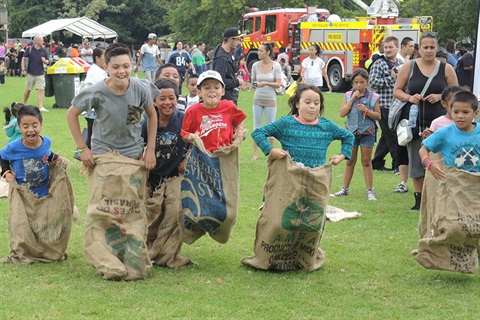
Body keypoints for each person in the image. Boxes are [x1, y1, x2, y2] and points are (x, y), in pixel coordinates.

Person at [66, 42, 159, 280]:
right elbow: (71, 113)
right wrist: (82, 148)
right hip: (103, 157)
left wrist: (150, 149)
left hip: (133, 158)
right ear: (106, 66)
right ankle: (105, 259)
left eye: (126, 66)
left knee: (131, 209)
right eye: (116, 66)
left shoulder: (140, 87)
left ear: (132, 65)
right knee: (103, 209)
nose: (122, 71)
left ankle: (132, 257)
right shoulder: (97, 91)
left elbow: (151, 114)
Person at [393, 32, 458, 210]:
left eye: (432, 47)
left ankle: (441, 195)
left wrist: (439, 96)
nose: (429, 51)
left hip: (440, 122)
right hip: (414, 120)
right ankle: (419, 198)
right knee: (416, 158)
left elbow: (456, 93)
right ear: (419, 49)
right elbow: (397, 90)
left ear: (437, 48)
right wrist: (409, 97)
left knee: (439, 158)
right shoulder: (409, 66)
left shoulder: (446, 68)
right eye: (425, 47)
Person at [141, 79, 192, 268]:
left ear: (177, 99)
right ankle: (147, 249)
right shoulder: (146, 122)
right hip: (151, 178)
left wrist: (187, 159)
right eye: (162, 98)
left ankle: (166, 253)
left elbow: (196, 141)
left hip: (175, 176)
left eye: (171, 98)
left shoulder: (185, 119)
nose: (167, 103)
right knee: (150, 215)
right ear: (154, 101)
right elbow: (138, 145)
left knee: (173, 211)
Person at [251, 83, 353, 168]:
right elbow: (257, 133)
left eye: (316, 103)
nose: (312, 106)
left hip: (316, 181)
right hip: (290, 181)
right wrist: (271, 150)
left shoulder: (327, 126)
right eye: (307, 102)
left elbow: (349, 136)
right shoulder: (285, 123)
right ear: (297, 104)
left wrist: (342, 155)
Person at [330, 68, 381, 200]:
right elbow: (342, 113)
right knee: (349, 160)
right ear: (352, 83)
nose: (359, 85)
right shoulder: (347, 95)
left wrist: (367, 111)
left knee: (366, 161)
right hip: (351, 133)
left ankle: (370, 191)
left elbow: (378, 116)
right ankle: (344, 189)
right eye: (356, 82)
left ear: (367, 82)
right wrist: (352, 99)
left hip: (367, 132)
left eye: (362, 82)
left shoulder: (373, 97)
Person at [0, 105, 61, 198]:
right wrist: (6, 172)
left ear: (41, 125)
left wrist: (57, 158)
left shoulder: (46, 142)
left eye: (35, 125)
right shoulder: (13, 147)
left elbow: (46, 153)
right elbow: (2, 156)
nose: (31, 129)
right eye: (25, 126)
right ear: (20, 128)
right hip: (22, 195)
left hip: (43, 193)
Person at [181, 70, 246, 152]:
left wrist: (239, 130)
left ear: (222, 91)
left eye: (216, 87)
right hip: (203, 156)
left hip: (226, 155)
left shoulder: (229, 106)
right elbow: (184, 134)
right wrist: (191, 137)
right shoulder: (192, 111)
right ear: (199, 92)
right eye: (207, 88)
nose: (212, 90)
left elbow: (239, 120)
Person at [419, 91, 479, 179]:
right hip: (452, 185)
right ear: (450, 111)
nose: (460, 116)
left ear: (475, 113)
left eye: (465, 112)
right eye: (456, 112)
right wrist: (428, 163)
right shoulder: (444, 133)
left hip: (476, 185)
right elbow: (423, 149)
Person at [369, 36, 402, 173]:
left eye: (390, 47)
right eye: (386, 47)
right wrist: (390, 78)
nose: (388, 50)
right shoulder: (379, 63)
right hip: (382, 105)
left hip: (396, 105)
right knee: (393, 136)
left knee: (386, 136)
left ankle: (376, 162)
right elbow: (373, 83)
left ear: (397, 47)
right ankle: (398, 165)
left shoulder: (400, 63)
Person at [250, 42, 282, 160]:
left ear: (268, 52)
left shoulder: (276, 66)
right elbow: (253, 82)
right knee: (256, 126)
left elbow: (279, 83)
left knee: (270, 125)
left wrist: (266, 83)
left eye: (261, 51)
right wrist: (254, 84)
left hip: (270, 99)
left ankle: (271, 152)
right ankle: (255, 154)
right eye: (258, 50)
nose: (258, 53)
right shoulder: (255, 65)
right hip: (258, 98)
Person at [79, 47, 108, 149]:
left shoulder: (99, 70)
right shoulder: (95, 72)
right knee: (93, 137)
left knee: (94, 136)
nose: (107, 58)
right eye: (105, 56)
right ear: (97, 58)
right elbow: (106, 88)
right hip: (93, 111)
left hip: (95, 110)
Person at [212, 27, 246, 105]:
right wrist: (238, 81)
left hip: (229, 98)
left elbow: (227, 74)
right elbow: (220, 82)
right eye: (237, 40)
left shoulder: (227, 53)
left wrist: (236, 73)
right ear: (230, 39)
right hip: (225, 100)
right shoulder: (222, 58)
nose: (239, 43)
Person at [21, 35, 50, 112]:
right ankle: (24, 103)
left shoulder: (43, 51)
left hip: (40, 73)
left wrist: (44, 61)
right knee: (28, 89)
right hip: (30, 73)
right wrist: (23, 69)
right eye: (41, 40)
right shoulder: (29, 49)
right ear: (36, 41)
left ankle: (41, 107)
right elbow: (23, 59)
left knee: (41, 89)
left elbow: (48, 61)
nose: (43, 42)